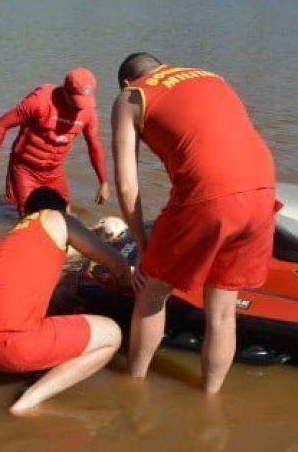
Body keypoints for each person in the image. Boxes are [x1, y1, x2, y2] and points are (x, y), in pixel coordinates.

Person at [112, 52, 277, 393]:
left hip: (210, 194)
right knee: (222, 312)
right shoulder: (210, 75)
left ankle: (133, 386)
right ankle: (210, 397)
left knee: (152, 291)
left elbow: (127, 186)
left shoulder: (131, 95)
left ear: (127, 81)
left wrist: (144, 251)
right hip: (263, 190)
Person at [0, 187, 130, 416]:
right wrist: (125, 285)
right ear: (63, 210)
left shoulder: (11, 238)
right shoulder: (58, 219)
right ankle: (28, 402)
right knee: (112, 334)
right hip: (7, 346)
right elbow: (117, 264)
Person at [0, 68, 109, 215]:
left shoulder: (89, 113)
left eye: (84, 103)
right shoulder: (39, 101)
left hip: (54, 171)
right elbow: (2, 125)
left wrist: (103, 182)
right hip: (25, 169)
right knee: (29, 217)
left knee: (65, 215)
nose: (79, 109)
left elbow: (95, 147)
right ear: (65, 92)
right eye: (76, 103)